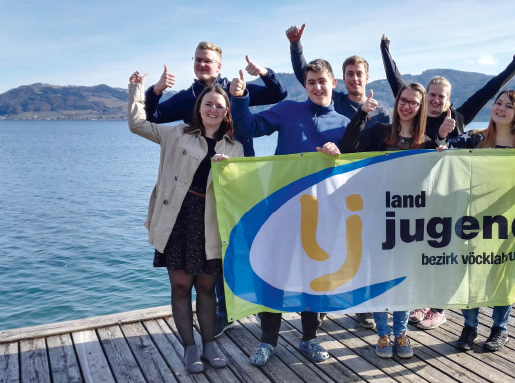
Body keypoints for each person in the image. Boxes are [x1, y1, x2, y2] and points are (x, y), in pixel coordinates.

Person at [143, 41, 288, 338]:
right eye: (198, 59)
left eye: (208, 60)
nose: (202, 64)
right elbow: (153, 118)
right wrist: (155, 90)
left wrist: (260, 74)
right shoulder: (186, 98)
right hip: (204, 187)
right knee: (217, 250)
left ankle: (259, 309)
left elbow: (278, 93)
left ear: (219, 65)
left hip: (240, 177)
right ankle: (224, 311)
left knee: (247, 244)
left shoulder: (234, 87)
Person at [381, 34, 515, 330]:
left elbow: (489, 91)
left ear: (449, 99)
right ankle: (422, 299)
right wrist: (385, 49)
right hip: (420, 195)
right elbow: (396, 81)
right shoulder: (418, 115)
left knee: (446, 249)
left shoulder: (460, 116)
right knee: (423, 249)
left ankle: (439, 307)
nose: (434, 100)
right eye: (431, 94)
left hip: (451, 195)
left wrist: (514, 66)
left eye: (441, 96)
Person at [229, 58, 349, 366]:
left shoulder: (344, 124)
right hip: (280, 210)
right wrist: (240, 99)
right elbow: (248, 127)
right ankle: (268, 340)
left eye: (322, 81)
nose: (317, 86)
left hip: (320, 213)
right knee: (272, 274)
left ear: (333, 83)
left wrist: (341, 156)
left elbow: (351, 174)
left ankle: (309, 337)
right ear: (305, 85)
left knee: (313, 277)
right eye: (311, 82)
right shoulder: (288, 111)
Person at [128, 71, 243, 373]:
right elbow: (137, 124)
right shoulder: (177, 133)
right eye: (209, 104)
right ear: (200, 107)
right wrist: (138, 88)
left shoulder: (234, 148)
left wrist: (227, 172)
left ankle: (209, 343)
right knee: (180, 286)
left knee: (206, 287)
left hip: (211, 222)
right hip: (177, 217)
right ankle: (190, 348)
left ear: (226, 111)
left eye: (220, 105)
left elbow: (239, 193)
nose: (213, 109)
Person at [326, 83, 444, 359]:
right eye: (403, 100)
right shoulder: (379, 133)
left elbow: (432, 183)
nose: (406, 105)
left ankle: (401, 332)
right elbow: (350, 148)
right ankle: (382, 334)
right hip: (375, 216)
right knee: (378, 277)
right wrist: (361, 115)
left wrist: (442, 157)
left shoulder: (425, 143)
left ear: (420, 107)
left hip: (406, 221)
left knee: (403, 279)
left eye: (413, 102)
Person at [286, 23, 388, 329]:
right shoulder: (338, 102)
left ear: (367, 77)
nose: (355, 78)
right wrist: (296, 46)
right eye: (350, 74)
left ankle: (364, 305)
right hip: (332, 184)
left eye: (360, 73)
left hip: (366, 186)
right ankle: (322, 303)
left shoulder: (383, 111)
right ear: (341, 80)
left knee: (364, 247)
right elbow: (308, 77)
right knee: (328, 245)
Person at [445, 89, 515, 352]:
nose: (500, 108)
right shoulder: (476, 138)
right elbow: (446, 148)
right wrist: (442, 138)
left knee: (504, 273)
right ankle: (469, 327)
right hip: (474, 220)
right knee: (471, 271)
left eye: (508, 106)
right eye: (498, 103)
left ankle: (499, 329)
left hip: (509, 222)